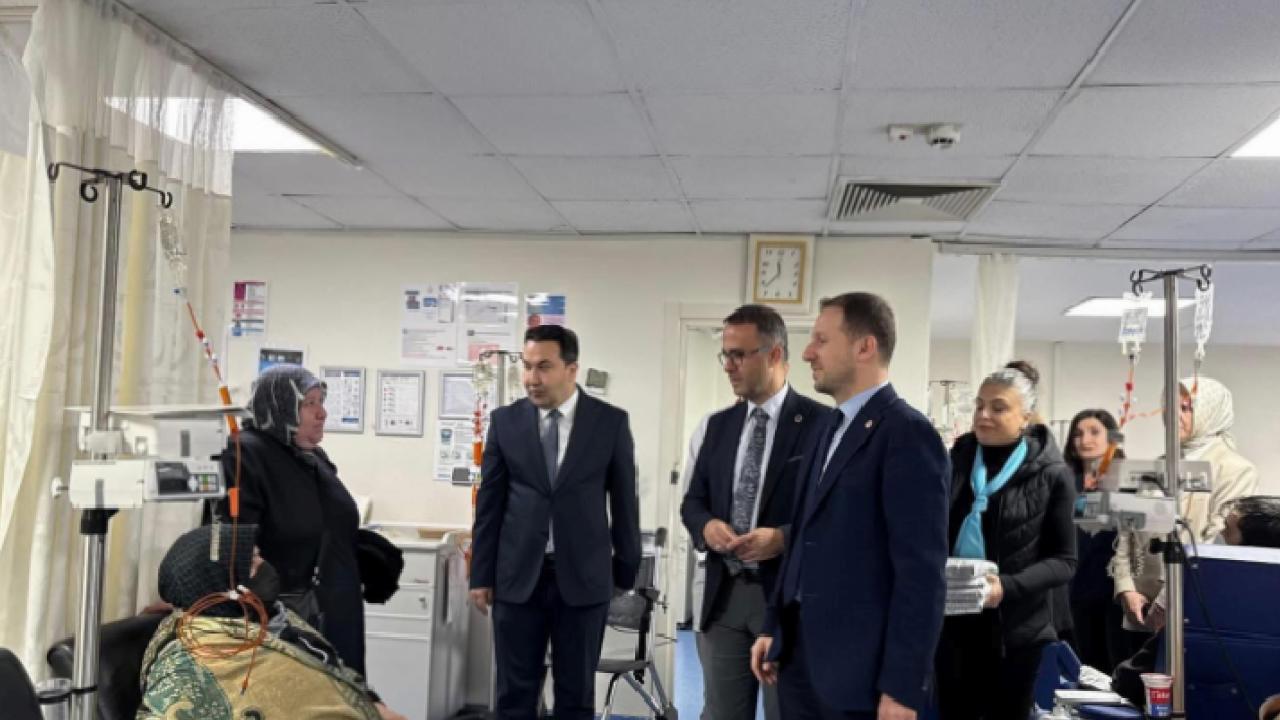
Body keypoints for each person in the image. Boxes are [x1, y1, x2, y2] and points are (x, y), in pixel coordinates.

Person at [750, 292, 951, 720]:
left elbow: (921, 576)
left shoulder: (907, 434)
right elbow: (803, 537)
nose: (808, 353)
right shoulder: (827, 427)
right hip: (799, 659)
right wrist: (773, 625)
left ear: (865, 347)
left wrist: (902, 688)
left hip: (863, 676)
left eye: (821, 340)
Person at [469, 325, 642, 720]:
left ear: (571, 369)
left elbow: (624, 503)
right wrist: (481, 574)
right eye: (527, 366)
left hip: (583, 579)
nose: (532, 378)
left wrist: (625, 571)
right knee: (514, 696)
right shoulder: (505, 422)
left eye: (544, 367)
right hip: (517, 579)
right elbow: (490, 506)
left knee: (575, 696)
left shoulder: (609, 423)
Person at [681, 305, 826, 720]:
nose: (729, 366)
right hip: (723, 595)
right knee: (722, 712)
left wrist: (782, 538)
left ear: (775, 354)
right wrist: (707, 526)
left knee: (788, 712)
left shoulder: (820, 425)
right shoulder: (716, 427)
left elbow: (834, 516)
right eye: (725, 355)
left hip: (786, 599)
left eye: (739, 355)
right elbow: (692, 502)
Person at [137, 524, 407, 720]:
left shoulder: (275, 617)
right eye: (253, 561)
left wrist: (370, 703)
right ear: (221, 583)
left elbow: (327, 668)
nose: (265, 565)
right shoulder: (195, 661)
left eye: (259, 555)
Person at [935, 361, 1077, 720]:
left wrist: (1006, 588)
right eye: (979, 405)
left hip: (1015, 631)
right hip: (953, 622)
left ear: (1025, 416)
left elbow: (1064, 561)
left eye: (998, 408)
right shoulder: (956, 460)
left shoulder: (1052, 474)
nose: (983, 415)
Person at [214, 364, 368, 673]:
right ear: (280, 405)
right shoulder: (244, 453)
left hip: (333, 607)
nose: (322, 413)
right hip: (285, 617)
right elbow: (235, 540)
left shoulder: (310, 456)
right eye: (309, 403)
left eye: (321, 402)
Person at [1110, 376, 1259, 635]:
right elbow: (1126, 535)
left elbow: (1214, 545)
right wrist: (1125, 588)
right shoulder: (1157, 466)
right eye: (1170, 406)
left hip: (1193, 612)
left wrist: (1167, 602)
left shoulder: (1235, 470)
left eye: (1186, 408)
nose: (1173, 415)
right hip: (1139, 611)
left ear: (1209, 412)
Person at [1110, 495, 1280, 708]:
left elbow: (1129, 680)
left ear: (1251, 546)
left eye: (1228, 529)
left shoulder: (1202, 597)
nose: (1220, 534)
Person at [1062, 409, 1138, 672]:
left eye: (1094, 432)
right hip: (1074, 586)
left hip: (1115, 588)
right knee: (1079, 665)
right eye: (1078, 433)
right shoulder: (1064, 481)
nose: (1085, 440)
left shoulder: (1128, 482)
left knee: (1115, 664)